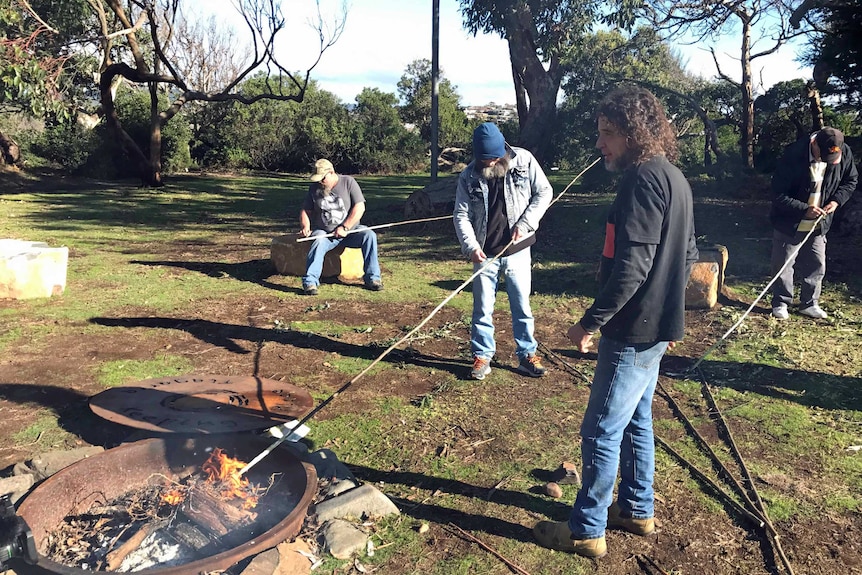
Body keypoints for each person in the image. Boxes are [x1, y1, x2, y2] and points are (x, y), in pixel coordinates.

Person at [533, 86, 698, 558]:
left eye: (608, 134)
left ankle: (586, 529)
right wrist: (667, 306)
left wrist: (590, 321)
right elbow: (687, 256)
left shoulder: (642, 180)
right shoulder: (675, 178)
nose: (600, 144)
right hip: (657, 329)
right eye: (599, 133)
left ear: (634, 133)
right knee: (637, 420)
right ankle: (636, 509)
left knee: (601, 428)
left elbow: (633, 266)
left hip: (631, 331)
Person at [453, 122, 553, 380]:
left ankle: (527, 355)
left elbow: (544, 192)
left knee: (522, 304)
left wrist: (526, 223)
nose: (490, 164)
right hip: (484, 252)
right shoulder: (468, 176)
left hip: (518, 249)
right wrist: (471, 247)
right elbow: (461, 215)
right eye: (486, 160)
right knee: (482, 307)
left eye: (495, 158)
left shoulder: (524, 160)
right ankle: (482, 356)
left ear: (503, 151)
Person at [769, 127, 857, 320]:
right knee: (784, 262)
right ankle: (782, 302)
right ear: (813, 144)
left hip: (820, 222)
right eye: (823, 156)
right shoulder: (793, 154)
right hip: (790, 220)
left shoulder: (844, 151)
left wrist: (836, 201)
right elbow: (777, 193)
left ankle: (809, 303)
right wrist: (803, 209)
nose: (827, 161)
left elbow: (850, 181)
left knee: (817, 262)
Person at [299, 159, 383, 295]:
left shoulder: (348, 182)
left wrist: (345, 227)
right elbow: (306, 211)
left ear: (331, 173)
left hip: (351, 232)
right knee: (318, 240)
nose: (320, 182)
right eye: (318, 179)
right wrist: (305, 226)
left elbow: (359, 207)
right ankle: (310, 282)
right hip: (326, 234)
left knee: (369, 235)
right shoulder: (314, 188)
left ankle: (373, 278)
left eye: (323, 178)